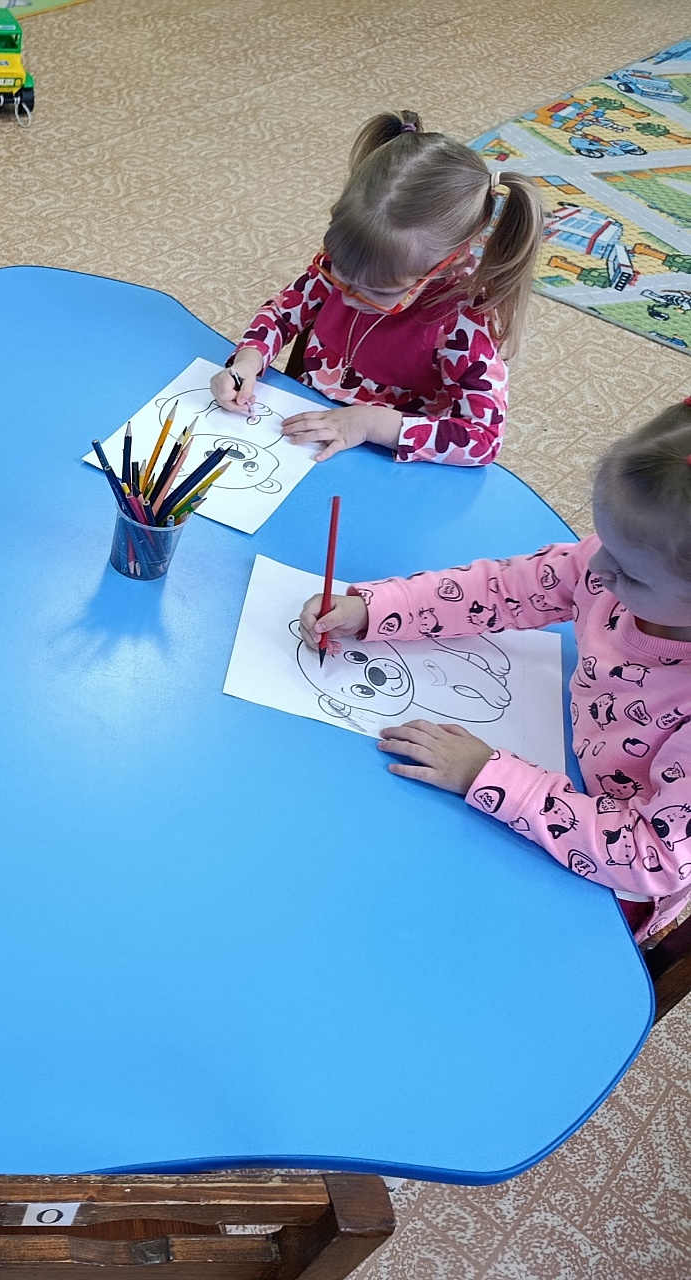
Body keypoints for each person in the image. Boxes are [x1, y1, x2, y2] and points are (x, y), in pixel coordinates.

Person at [300, 402, 691, 942]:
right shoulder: (615, 564)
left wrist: (484, 774)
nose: (597, 569)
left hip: (604, 887)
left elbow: (653, 859)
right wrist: (378, 609)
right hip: (564, 762)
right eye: (603, 542)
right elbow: (505, 588)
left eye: (629, 573)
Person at [211, 110, 543, 467]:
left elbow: (483, 439)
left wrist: (371, 424)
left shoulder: (464, 321)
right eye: (339, 277)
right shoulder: (356, 262)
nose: (348, 296)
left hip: (380, 459)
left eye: (381, 293)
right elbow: (281, 313)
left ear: (451, 261)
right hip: (303, 429)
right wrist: (248, 362)